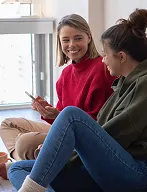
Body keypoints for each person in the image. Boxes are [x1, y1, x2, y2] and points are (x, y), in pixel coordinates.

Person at [0, 8, 147, 192]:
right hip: (107, 170)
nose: (103, 59)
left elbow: (116, 136)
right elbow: (103, 136)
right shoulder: (125, 83)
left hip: (133, 175)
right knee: (18, 168)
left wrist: (63, 157)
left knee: (70, 114)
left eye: (105, 53)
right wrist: (55, 157)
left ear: (122, 56)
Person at [0, 14, 116, 179]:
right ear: (59, 42)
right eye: (66, 40)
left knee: (24, 143)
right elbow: (61, 115)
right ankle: (24, 165)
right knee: (7, 124)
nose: (72, 45)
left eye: (78, 38)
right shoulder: (66, 73)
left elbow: (98, 124)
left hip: (82, 138)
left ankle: (22, 167)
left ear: (89, 38)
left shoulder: (101, 69)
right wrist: (48, 110)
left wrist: (59, 116)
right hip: (63, 129)